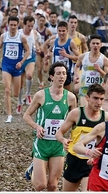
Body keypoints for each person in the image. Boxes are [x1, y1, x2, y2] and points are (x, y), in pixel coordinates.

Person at [22, 62, 77, 191]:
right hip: (41, 144)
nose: (62, 76)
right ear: (52, 76)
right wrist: (37, 127)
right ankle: (33, 168)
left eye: (64, 73)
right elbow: (26, 115)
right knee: (40, 185)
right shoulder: (41, 95)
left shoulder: (70, 98)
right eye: (58, 73)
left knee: (52, 185)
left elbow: (74, 120)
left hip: (58, 145)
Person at [55, 83, 108, 191]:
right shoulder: (76, 114)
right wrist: (63, 140)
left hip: (91, 163)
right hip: (74, 160)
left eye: (101, 99)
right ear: (87, 98)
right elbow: (59, 133)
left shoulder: (106, 118)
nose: (98, 102)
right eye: (95, 98)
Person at [0, 16, 30, 123]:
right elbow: (0, 47)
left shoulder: (21, 38)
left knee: (15, 93)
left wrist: (21, 62)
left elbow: (27, 51)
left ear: (17, 25)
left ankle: (19, 101)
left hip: (17, 67)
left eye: (14, 25)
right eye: (11, 25)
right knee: (7, 90)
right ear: (8, 25)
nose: (12, 27)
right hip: (6, 65)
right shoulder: (4, 36)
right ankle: (9, 115)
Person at [74, 34, 108, 106]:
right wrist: (76, 75)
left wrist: (99, 70)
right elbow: (77, 66)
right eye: (93, 43)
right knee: (84, 108)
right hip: (85, 88)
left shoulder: (104, 59)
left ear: (101, 45)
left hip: (97, 89)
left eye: (97, 43)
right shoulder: (83, 56)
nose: (95, 45)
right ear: (90, 44)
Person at [45, 21, 80, 92]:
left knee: (66, 95)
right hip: (55, 72)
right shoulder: (53, 42)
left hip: (67, 73)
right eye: (59, 31)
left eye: (63, 31)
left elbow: (79, 58)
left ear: (67, 31)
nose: (61, 33)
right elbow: (49, 50)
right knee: (54, 93)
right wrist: (48, 56)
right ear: (57, 31)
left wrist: (66, 55)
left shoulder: (71, 43)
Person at [16, 15, 41, 113]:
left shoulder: (35, 33)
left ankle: (28, 94)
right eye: (28, 26)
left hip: (30, 58)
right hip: (19, 60)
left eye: (32, 26)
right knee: (20, 84)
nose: (30, 28)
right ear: (24, 24)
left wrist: (38, 48)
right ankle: (19, 102)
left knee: (29, 75)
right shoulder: (18, 33)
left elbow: (38, 43)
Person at [36, 14, 53, 90]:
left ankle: (48, 79)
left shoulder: (47, 30)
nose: (41, 22)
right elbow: (34, 40)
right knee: (39, 69)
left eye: (43, 21)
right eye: (40, 20)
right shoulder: (35, 30)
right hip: (38, 52)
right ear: (38, 21)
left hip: (45, 52)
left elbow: (53, 38)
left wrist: (49, 44)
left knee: (45, 70)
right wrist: (37, 48)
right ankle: (41, 82)